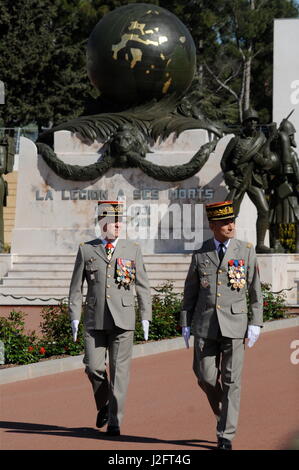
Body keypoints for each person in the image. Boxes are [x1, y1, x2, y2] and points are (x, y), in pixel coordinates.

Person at [181, 201, 263, 450]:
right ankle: (224, 410)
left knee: (231, 380)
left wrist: (255, 322)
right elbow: (190, 292)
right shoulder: (201, 253)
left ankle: (226, 433)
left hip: (236, 324)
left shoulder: (246, 250)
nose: (231, 226)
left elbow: (255, 290)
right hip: (206, 325)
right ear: (213, 225)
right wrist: (185, 323)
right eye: (225, 223)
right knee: (205, 376)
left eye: (232, 221)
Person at [68, 200, 152, 436]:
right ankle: (105, 403)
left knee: (119, 373)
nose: (118, 225)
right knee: (93, 367)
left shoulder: (132, 249)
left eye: (120, 220)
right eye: (113, 221)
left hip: (123, 319)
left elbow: (143, 286)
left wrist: (146, 315)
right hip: (95, 320)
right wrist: (75, 316)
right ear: (102, 223)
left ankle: (115, 421)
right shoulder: (86, 249)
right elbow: (75, 287)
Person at [220, 108, 272, 253]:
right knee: (231, 213)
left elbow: (269, 163)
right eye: (250, 121)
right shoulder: (235, 141)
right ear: (244, 123)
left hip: (254, 180)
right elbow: (224, 162)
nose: (253, 123)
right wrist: (230, 178)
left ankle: (260, 244)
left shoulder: (262, 140)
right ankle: (229, 243)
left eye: (255, 121)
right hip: (239, 180)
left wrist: (260, 159)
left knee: (264, 210)